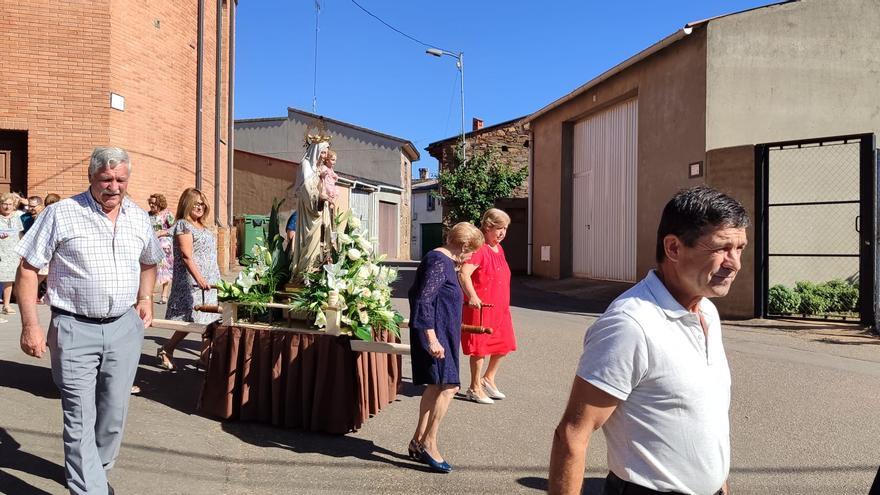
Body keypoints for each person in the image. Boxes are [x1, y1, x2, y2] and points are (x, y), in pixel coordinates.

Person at [548, 186, 748, 495]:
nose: (734, 263)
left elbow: (701, 417)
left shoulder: (706, 310)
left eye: (740, 249)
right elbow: (573, 435)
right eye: (721, 248)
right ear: (674, 248)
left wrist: (718, 481)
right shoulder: (631, 324)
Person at [16, 146, 164, 495]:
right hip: (73, 327)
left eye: (121, 179)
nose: (114, 187)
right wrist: (30, 325)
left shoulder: (139, 216)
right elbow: (27, 268)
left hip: (124, 327)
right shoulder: (61, 213)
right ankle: (90, 488)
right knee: (79, 415)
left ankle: (95, 469)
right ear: (91, 177)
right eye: (106, 179)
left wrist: (146, 298)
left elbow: (150, 260)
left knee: (114, 414)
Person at [408, 222, 484, 473]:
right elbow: (423, 300)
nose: (473, 256)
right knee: (450, 386)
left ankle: (418, 441)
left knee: (437, 385)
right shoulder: (439, 262)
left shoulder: (444, 261)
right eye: (472, 250)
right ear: (463, 245)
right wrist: (431, 339)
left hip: (442, 334)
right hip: (435, 336)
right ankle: (429, 442)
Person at [156, 188, 221, 371]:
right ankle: (167, 349)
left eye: (202, 203)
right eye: (196, 203)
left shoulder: (202, 225)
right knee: (191, 321)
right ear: (187, 204)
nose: (200, 207)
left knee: (210, 320)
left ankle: (204, 358)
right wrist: (199, 279)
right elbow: (186, 256)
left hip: (210, 281)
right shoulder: (184, 225)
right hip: (193, 282)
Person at [458, 208, 517, 404]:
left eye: (505, 229)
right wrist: (472, 296)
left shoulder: (498, 248)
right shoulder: (480, 249)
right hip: (481, 307)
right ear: (488, 227)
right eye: (499, 228)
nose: (502, 233)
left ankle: (488, 379)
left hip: (500, 307)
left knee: (504, 344)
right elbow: (463, 274)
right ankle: (474, 387)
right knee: (479, 348)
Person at [290, 139, 330, 283]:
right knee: (309, 242)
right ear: (315, 151)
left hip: (319, 213)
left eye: (326, 152)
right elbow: (306, 190)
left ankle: (314, 273)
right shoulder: (305, 165)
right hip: (309, 213)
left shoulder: (319, 168)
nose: (325, 156)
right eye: (323, 152)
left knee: (319, 243)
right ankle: (303, 275)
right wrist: (320, 198)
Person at [147, 193, 175, 304]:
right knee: (152, 269)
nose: (151, 205)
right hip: (152, 245)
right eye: (150, 202)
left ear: (160, 204)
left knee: (165, 269)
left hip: (165, 246)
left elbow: (174, 228)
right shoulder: (147, 215)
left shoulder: (167, 214)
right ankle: (149, 293)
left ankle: (164, 295)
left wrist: (161, 232)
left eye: (154, 203)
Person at [0, 192, 24, 315]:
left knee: (8, 279)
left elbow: (20, 234)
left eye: (10, 204)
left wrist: (21, 250)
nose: (7, 207)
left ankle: (6, 305)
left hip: (12, 252)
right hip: (1, 251)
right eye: (4, 204)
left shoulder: (16, 217)